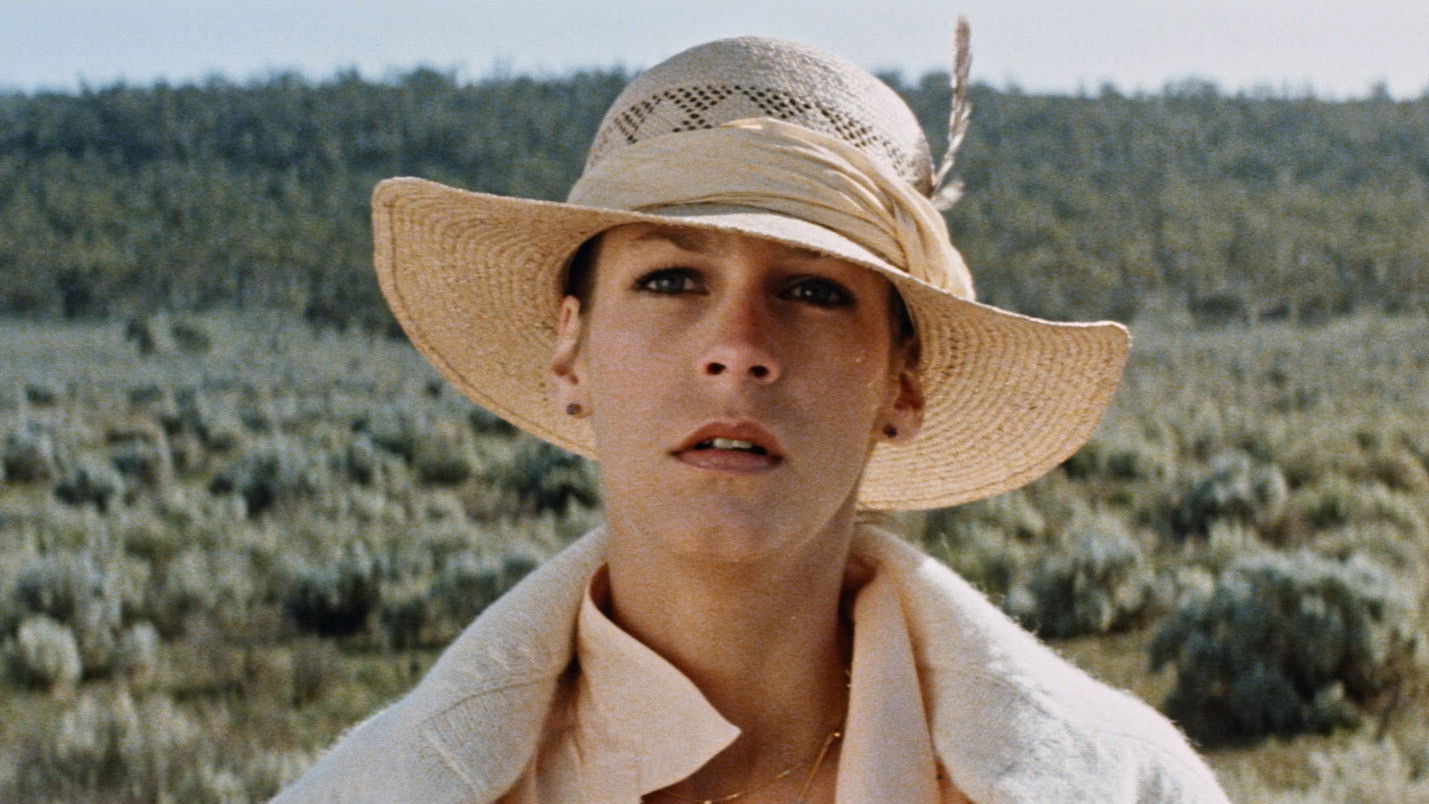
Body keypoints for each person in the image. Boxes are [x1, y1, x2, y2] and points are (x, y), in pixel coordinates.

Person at [275, 28, 1230, 804]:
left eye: (813, 291)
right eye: (670, 279)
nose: (737, 347)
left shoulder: (1127, 786)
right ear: (571, 352)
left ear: (900, 386)